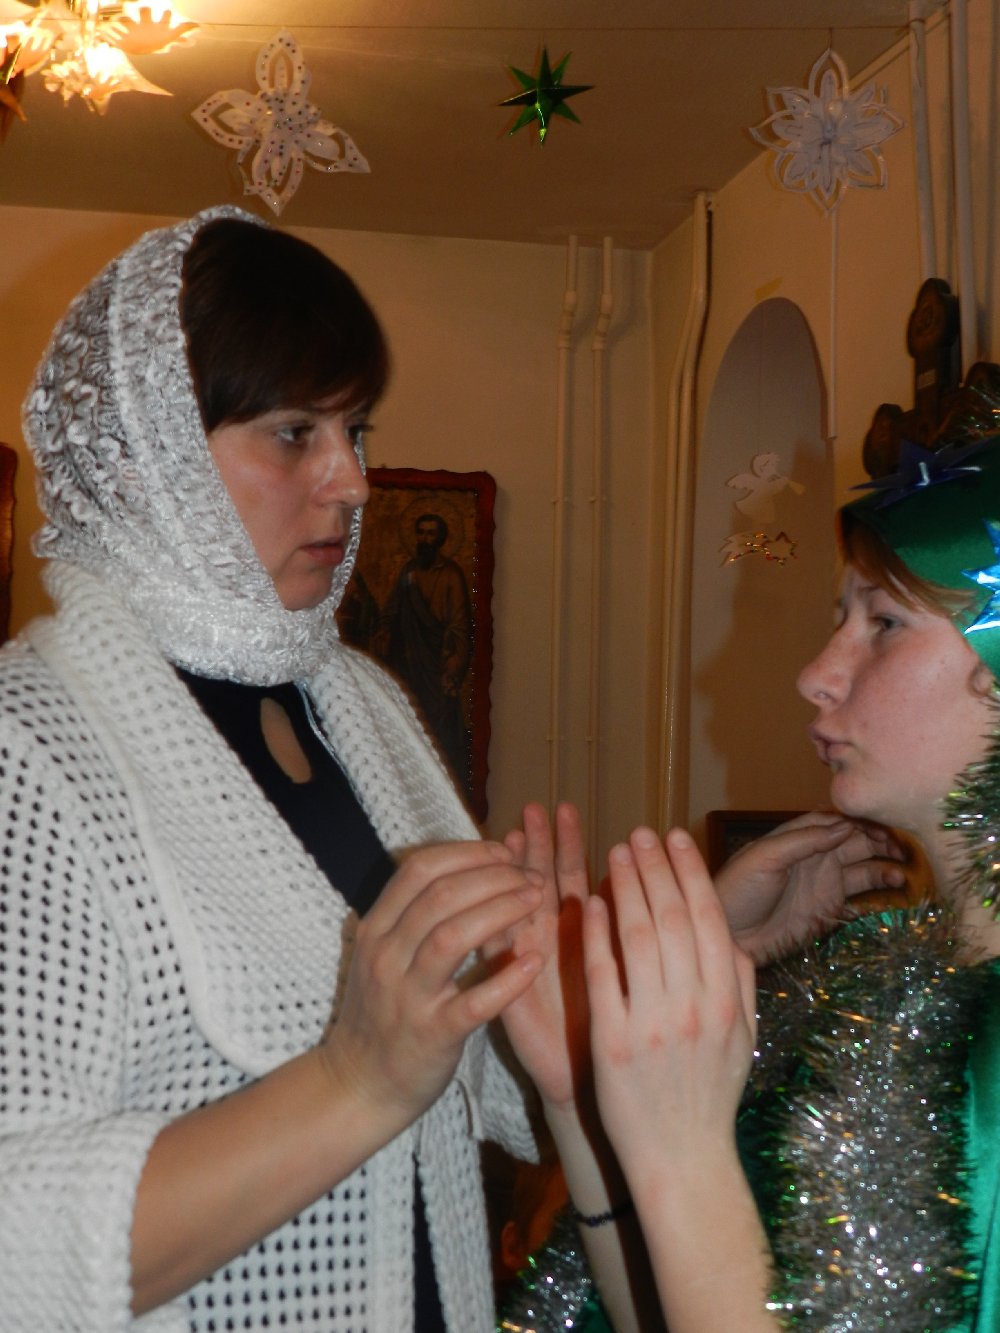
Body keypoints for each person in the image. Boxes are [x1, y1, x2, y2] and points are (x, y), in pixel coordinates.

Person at [0, 206, 548, 1331]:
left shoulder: (360, 702)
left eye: (355, 429)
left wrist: (691, 944)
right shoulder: (28, 748)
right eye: (295, 432)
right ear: (148, 450)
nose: (352, 481)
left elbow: (469, 1060)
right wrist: (353, 1079)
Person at [570, 438, 1000, 1330]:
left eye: (884, 624)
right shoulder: (876, 992)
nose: (816, 675)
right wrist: (583, 1079)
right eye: (841, 620)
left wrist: (682, 1146)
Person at [377, 511, 473, 790]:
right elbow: (392, 609)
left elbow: (459, 624)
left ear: (440, 538)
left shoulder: (451, 575)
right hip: (409, 662)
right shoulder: (409, 572)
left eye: (430, 533)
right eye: (420, 532)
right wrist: (383, 631)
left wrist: (454, 662)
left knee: (440, 723)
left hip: (436, 663)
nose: (424, 539)